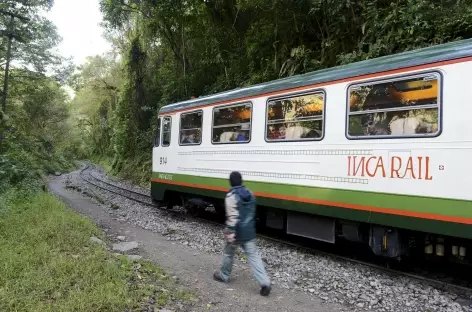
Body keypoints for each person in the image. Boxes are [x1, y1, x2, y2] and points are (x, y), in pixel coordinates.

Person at [213, 171, 272, 296]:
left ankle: (224, 275)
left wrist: (230, 232)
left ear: (230, 182)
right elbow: (251, 213)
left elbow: (232, 217)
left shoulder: (231, 196)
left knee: (228, 254)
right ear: (241, 181)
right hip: (249, 232)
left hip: (236, 233)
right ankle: (265, 283)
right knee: (254, 257)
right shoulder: (250, 194)